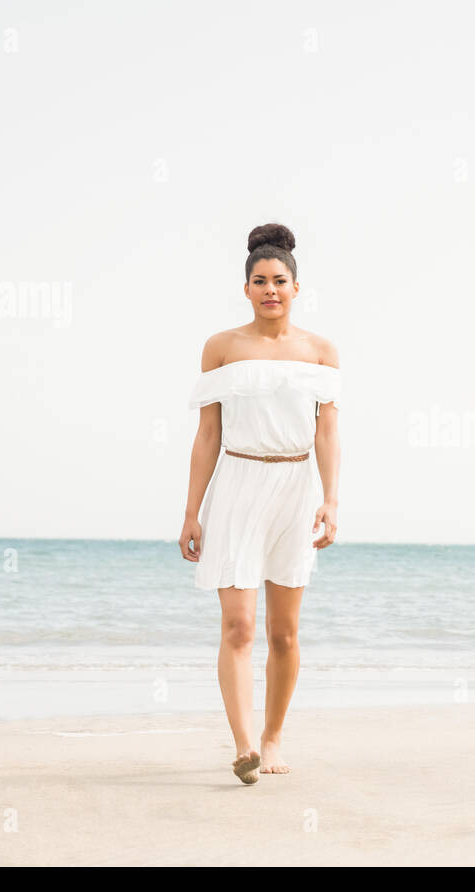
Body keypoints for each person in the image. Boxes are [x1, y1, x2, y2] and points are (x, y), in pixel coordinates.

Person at [179, 222, 341, 786]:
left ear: (297, 287)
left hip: (296, 490)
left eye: (279, 281)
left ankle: (273, 735)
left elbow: (326, 433)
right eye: (259, 281)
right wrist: (191, 510)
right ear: (245, 288)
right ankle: (244, 744)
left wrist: (331, 501)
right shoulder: (221, 348)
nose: (270, 289)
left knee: (285, 633)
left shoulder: (320, 351)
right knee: (239, 627)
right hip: (237, 485)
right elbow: (207, 436)